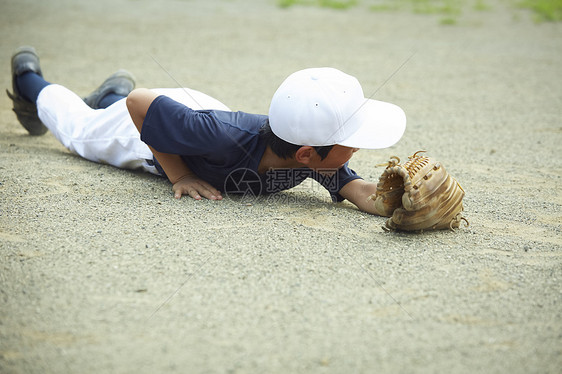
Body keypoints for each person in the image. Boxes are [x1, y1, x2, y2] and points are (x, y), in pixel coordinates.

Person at [7, 46, 406, 214]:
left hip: (195, 116)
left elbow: (364, 193)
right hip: (145, 132)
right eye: (350, 144)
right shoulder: (224, 137)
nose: (354, 150)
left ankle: (109, 92)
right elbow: (140, 104)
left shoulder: (315, 155)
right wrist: (180, 174)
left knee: (160, 116)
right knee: (78, 131)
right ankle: (29, 81)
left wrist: (404, 204)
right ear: (305, 153)